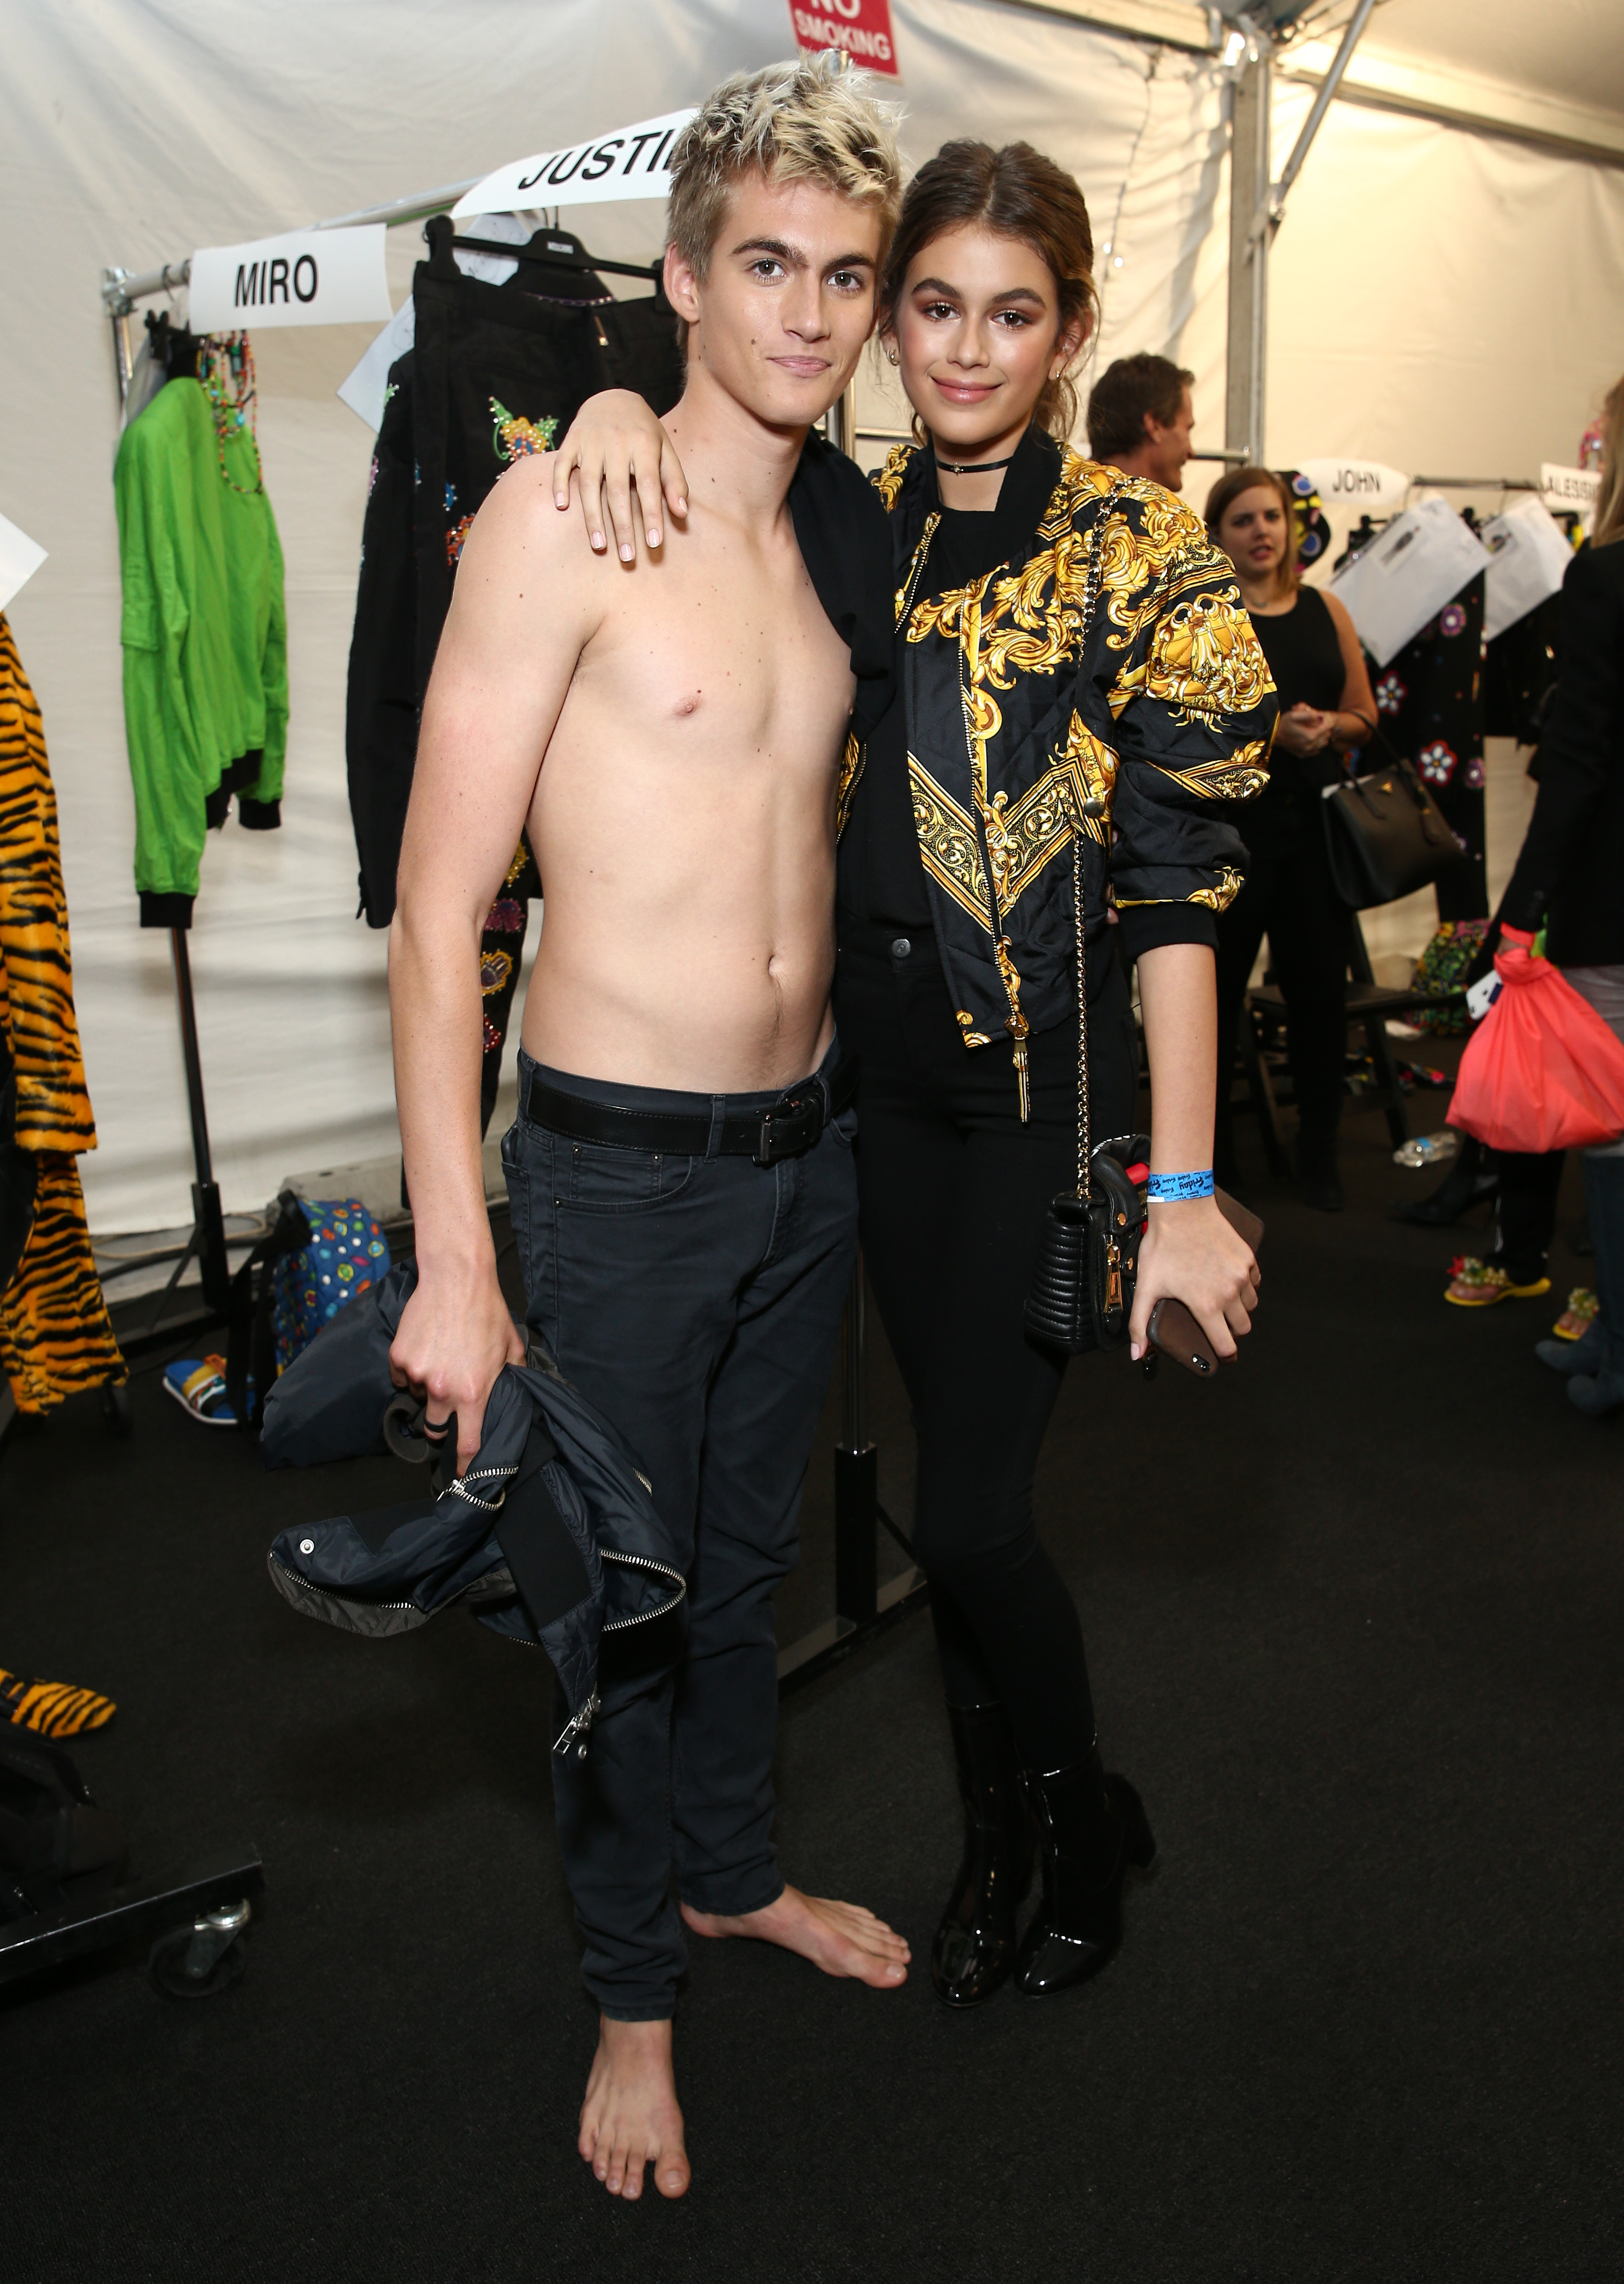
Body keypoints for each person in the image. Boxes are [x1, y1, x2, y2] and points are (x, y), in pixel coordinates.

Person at [551, 139, 1271, 2016]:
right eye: (930, 303)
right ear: (888, 321)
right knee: (952, 1499)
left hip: (1036, 1098)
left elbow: (1175, 893)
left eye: (1007, 314)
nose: (961, 347)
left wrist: (1178, 1183)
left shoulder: (1135, 554)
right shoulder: (849, 511)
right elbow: (695, 432)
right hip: (867, 1103)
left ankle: (1074, 1821)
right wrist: (612, 391)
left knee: (964, 1515)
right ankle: (999, 1831)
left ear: (1070, 332)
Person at [386, 56, 912, 2205]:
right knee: (618, 1602)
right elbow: (437, 916)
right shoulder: (561, 514)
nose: (808, 312)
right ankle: (629, 1998)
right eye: (765, 264)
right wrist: (455, 1256)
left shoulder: (834, 539)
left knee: (749, 1569)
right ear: (682, 278)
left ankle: (727, 1870)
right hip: (616, 1168)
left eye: (844, 277)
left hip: (806, 1156)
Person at [1206, 466, 1377, 1210]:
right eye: (1243, 520)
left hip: (1314, 834)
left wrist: (1331, 727)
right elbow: (1191, 722)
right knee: (1213, 998)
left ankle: (1318, 1147)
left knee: (1318, 996)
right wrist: (1273, 733)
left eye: (1271, 516)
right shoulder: (1210, 614)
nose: (1262, 532)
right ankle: (1209, 1155)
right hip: (1234, 835)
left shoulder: (1326, 607)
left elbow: (1364, 714)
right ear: (1218, 534)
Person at [1506, 372, 1624, 1416]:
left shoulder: (1604, 576)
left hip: (1611, 902)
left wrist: (1520, 907)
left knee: (1614, 1141)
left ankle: (1620, 1357)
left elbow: (1578, 761)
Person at [1086, 350, 1196, 491]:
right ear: (1155, 425)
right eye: (1187, 429)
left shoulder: (1068, 497)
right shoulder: (1148, 504)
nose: (1191, 451)